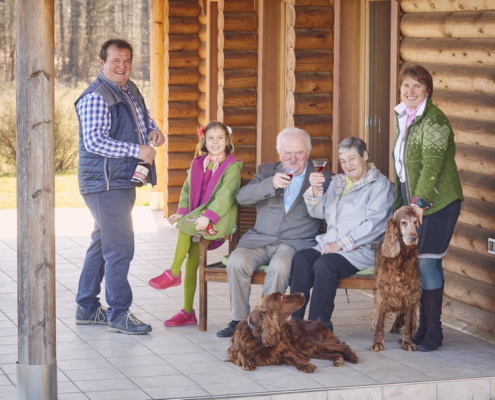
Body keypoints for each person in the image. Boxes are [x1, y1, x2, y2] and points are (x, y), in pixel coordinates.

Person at [74, 39, 165, 335]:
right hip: (104, 183)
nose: (122, 66)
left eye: (126, 61)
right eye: (115, 61)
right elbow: (94, 141)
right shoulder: (96, 97)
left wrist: (153, 129)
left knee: (103, 243)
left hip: (119, 180)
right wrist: (136, 150)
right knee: (120, 247)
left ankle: (87, 307)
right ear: (102, 63)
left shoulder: (129, 89)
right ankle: (118, 312)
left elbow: (142, 118)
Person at [216, 127, 333, 338]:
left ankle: (265, 323)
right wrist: (269, 184)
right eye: (288, 152)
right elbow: (242, 198)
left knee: (279, 268)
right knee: (236, 262)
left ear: (308, 151)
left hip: (294, 242)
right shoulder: (266, 171)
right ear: (279, 152)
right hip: (260, 238)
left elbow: (330, 213)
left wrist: (319, 191)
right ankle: (239, 320)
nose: (293, 158)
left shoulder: (322, 176)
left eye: (299, 152)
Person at [289, 137, 394, 331]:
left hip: (360, 249)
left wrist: (340, 244)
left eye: (352, 159)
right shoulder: (338, 182)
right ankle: (295, 323)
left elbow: (375, 224)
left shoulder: (380, 185)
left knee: (324, 265)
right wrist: (314, 189)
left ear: (365, 155)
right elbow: (318, 213)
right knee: (301, 259)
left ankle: (318, 327)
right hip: (330, 244)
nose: (347, 165)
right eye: (343, 161)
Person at [392, 64, 463, 352]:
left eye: (417, 86)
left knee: (427, 262)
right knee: (421, 265)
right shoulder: (405, 117)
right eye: (406, 85)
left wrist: (418, 203)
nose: (410, 91)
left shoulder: (434, 121)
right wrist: (403, 204)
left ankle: (434, 332)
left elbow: (432, 166)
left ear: (427, 90)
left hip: (438, 204)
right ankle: (423, 327)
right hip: (415, 206)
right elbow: (402, 169)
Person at [148, 122, 242, 327]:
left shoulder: (232, 166)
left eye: (220, 137)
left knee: (185, 226)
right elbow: (186, 191)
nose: (215, 142)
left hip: (220, 218)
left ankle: (173, 272)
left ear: (227, 141)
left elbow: (225, 196)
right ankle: (187, 311)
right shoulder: (198, 164)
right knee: (191, 260)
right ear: (204, 141)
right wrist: (181, 212)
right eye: (211, 138)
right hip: (196, 218)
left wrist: (208, 216)